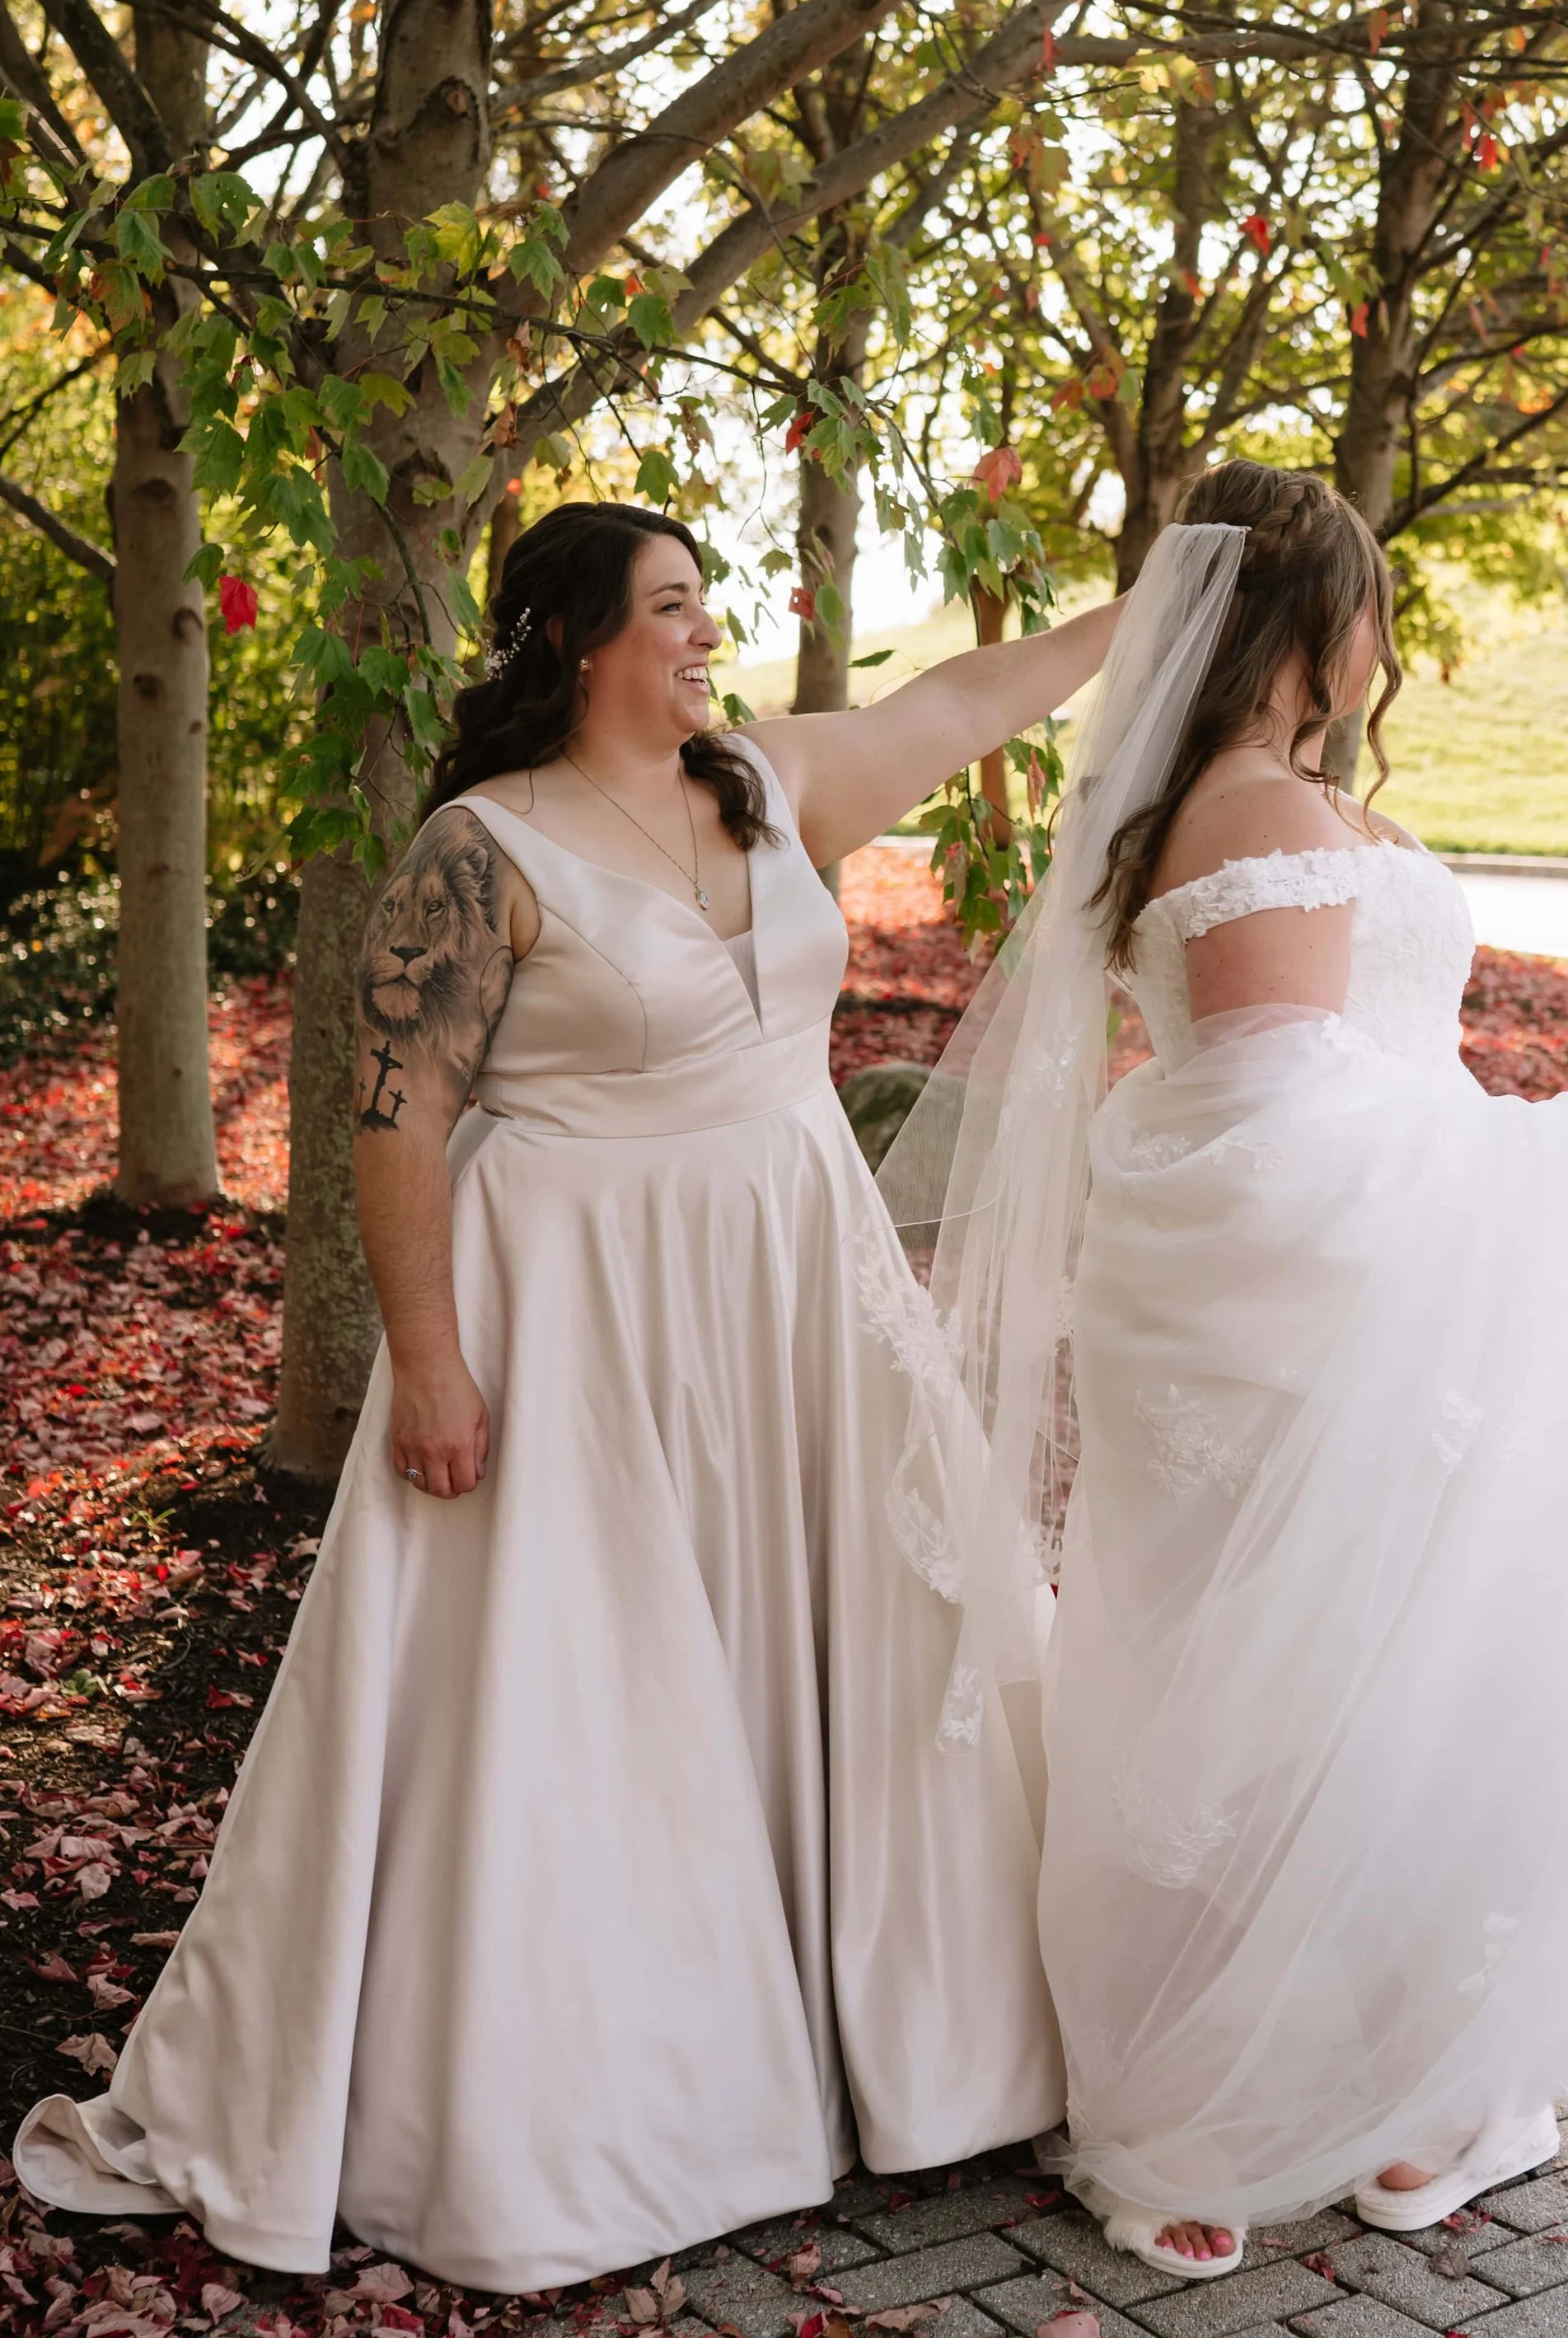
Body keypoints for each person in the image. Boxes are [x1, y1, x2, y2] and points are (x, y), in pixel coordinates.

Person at [16, 499, 1113, 2292]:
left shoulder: (762, 786)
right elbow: (394, 1117)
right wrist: (430, 1359)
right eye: (671, 608)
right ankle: (638, 2096)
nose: (703, 634)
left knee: (868, 1629)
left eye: (704, 605)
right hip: (581, 1304)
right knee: (594, 1678)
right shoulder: (482, 849)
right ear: (578, 643)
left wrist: (1141, 611)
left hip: (793, 1280)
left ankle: (902, 2045)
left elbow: (971, 695)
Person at [879, 464, 1568, 2284]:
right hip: (1315, 1295)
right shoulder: (1256, 809)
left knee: (1236, 1686)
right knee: (1353, 1680)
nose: (1386, 640)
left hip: (1271, 1296)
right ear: (1308, 623)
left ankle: (1287, 2089)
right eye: (1370, 602)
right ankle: (1332, 2096)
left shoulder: (1201, 799)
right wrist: (1548, 1175)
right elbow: (1281, 1107)